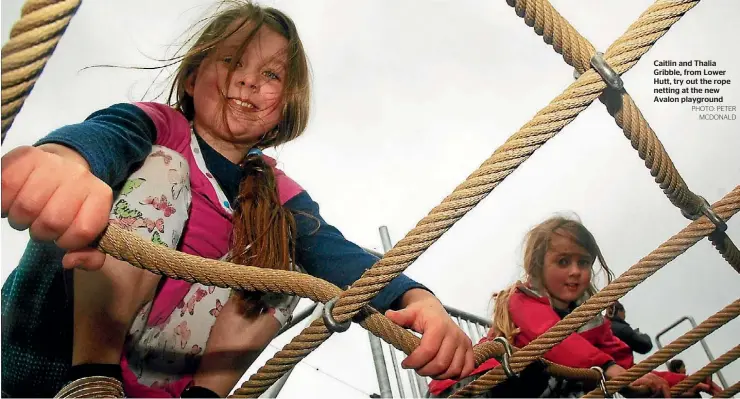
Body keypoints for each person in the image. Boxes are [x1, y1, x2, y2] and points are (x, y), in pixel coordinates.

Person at [0, 2, 475, 397]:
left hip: (162, 366)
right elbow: (106, 136)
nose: (248, 81)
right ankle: (93, 380)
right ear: (191, 77)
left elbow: (340, 256)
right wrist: (66, 159)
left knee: (283, 259)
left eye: (270, 73)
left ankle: (204, 395)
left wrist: (418, 298)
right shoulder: (162, 127)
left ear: (283, 107)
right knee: (164, 167)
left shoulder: (277, 192)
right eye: (231, 61)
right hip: (69, 339)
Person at [428, 215, 691, 397]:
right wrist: (612, 370)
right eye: (563, 262)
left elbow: (625, 368)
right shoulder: (522, 299)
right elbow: (554, 341)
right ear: (538, 267)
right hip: (471, 388)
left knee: (594, 379)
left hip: (534, 387)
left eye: (584, 262)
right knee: (555, 367)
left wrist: (679, 382)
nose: (576, 272)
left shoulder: (591, 320)